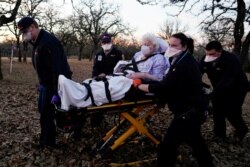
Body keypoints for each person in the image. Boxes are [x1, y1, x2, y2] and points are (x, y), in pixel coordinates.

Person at [138, 33, 213, 167]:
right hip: (192, 110)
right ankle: (207, 163)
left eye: (174, 45)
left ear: (184, 47)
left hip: (189, 113)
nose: (171, 47)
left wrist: (141, 86)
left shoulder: (183, 64)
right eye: (170, 44)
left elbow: (166, 86)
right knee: (195, 140)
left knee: (167, 147)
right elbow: (174, 84)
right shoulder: (180, 59)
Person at [17, 17, 72, 147]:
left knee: (47, 114)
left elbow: (56, 69)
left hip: (53, 84)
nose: (24, 35)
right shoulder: (37, 42)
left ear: (32, 27)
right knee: (43, 113)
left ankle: (47, 143)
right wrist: (40, 82)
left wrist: (56, 92)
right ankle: (46, 140)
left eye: (25, 31)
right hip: (45, 84)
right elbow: (43, 67)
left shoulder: (48, 42)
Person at [200, 41, 249, 141]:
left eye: (212, 54)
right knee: (217, 109)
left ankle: (241, 130)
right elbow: (198, 70)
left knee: (232, 111)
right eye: (207, 53)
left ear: (220, 51)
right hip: (219, 86)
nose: (209, 56)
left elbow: (227, 80)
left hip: (237, 88)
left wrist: (212, 95)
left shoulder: (231, 60)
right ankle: (219, 134)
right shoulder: (205, 59)